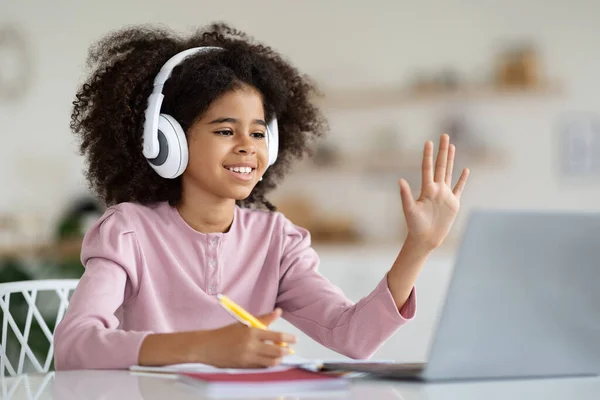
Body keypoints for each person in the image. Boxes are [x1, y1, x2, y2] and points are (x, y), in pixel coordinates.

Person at [53, 22, 469, 371]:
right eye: (223, 130)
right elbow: (74, 346)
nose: (247, 146)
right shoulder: (129, 231)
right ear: (167, 143)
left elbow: (353, 337)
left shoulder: (277, 241)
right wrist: (203, 347)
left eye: (256, 132)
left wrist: (418, 247)